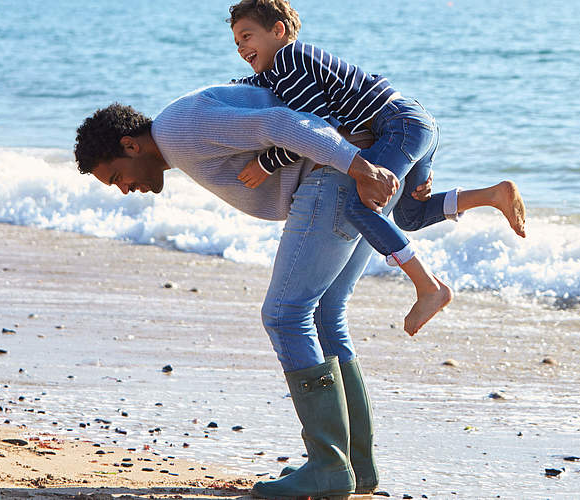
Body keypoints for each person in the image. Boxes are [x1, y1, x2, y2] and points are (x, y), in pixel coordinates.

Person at [74, 84, 403, 498]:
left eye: (118, 177)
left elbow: (279, 122)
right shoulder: (178, 134)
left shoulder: (177, 130)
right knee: (324, 315)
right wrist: (362, 166)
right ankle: (355, 466)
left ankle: (329, 467)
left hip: (341, 178)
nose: (124, 189)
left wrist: (359, 169)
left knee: (285, 315)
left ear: (131, 146)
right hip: (355, 174)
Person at [226, 0, 527, 335]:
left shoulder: (288, 59)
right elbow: (271, 92)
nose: (241, 47)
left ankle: (429, 287)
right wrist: (236, 89)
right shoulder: (286, 67)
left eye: (247, 36)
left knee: (360, 206)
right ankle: (493, 194)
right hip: (416, 121)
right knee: (410, 215)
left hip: (397, 125)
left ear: (278, 31)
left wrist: (268, 163)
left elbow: (317, 127)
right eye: (237, 42)